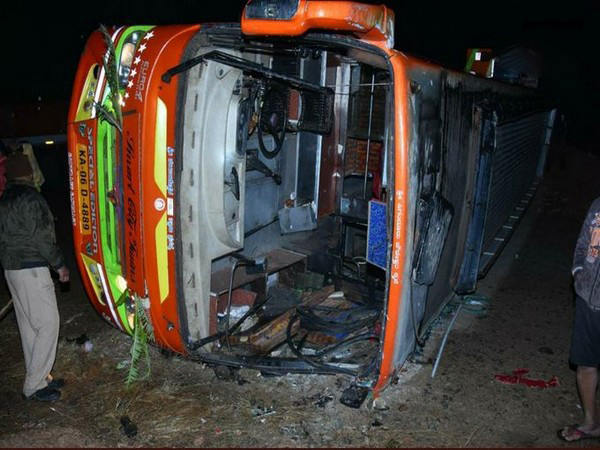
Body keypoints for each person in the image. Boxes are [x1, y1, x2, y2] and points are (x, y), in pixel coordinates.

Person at [0, 148, 69, 402]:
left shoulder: (5, 199)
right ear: (29, 173)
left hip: (11, 270)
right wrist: (59, 265)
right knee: (49, 324)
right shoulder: (31, 199)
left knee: (29, 327)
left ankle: (40, 374)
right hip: (31, 269)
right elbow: (42, 237)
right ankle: (34, 385)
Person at [558, 197, 600, 441]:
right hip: (588, 299)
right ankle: (590, 422)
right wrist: (578, 272)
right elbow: (584, 243)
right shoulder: (597, 204)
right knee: (586, 364)